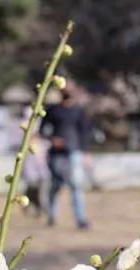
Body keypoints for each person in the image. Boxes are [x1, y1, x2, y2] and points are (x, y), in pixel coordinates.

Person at [40, 84, 90, 229]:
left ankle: (80, 219)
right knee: (56, 185)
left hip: (74, 152)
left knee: (76, 185)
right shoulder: (53, 110)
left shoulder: (78, 111)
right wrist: (52, 139)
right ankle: (51, 215)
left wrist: (85, 152)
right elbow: (43, 130)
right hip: (56, 154)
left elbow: (85, 132)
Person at [21, 111, 49, 218]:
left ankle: (41, 207)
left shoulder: (42, 122)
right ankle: (27, 202)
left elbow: (44, 136)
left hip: (40, 157)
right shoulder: (24, 124)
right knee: (32, 185)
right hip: (30, 158)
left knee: (43, 185)